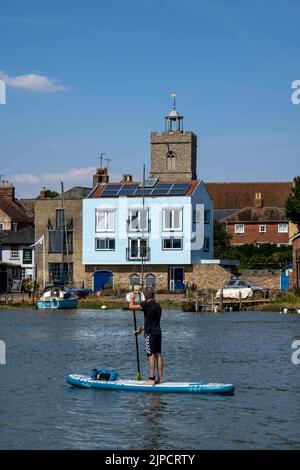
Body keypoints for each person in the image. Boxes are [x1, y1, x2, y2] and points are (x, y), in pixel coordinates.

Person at [129, 288, 163, 385]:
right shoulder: (158, 305)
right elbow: (150, 322)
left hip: (150, 334)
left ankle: (151, 379)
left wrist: (132, 298)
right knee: (158, 355)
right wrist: (139, 331)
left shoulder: (147, 304)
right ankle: (160, 379)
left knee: (150, 355)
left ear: (146, 296)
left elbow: (131, 306)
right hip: (158, 332)